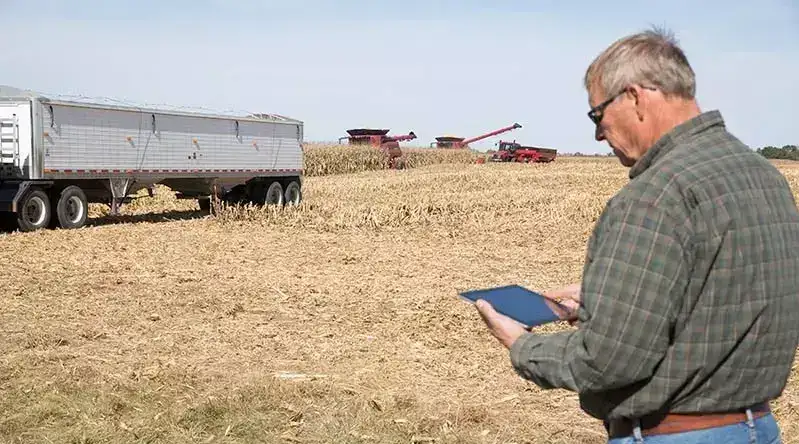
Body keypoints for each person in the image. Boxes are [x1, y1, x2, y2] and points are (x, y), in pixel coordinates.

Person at [475, 26, 799, 444]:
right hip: (759, 428)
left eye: (597, 115)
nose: (597, 134)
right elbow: (729, 292)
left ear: (634, 97)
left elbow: (607, 362)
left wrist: (520, 345)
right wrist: (612, 300)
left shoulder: (655, 195)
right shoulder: (765, 177)